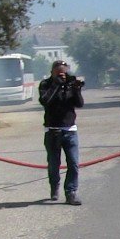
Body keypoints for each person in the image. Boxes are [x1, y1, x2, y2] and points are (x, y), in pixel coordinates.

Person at [38, 60, 85, 205]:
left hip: (70, 130)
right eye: (59, 73)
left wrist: (76, 89)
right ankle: (54, 186)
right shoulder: (45, 84)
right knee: (53, 164)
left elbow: (79, 104)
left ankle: (71, 192)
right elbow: (45, 101)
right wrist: (56, 84)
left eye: (64, 73)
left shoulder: (70, 84)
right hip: (52, 131)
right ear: (52, 72)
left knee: (73, 163)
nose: (62, 76)